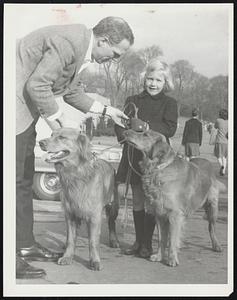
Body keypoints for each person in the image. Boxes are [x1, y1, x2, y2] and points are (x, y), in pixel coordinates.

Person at [16, 16, 134, 279]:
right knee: (13, 182)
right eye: (115, 53)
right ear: (103, 40)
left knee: (23, 181)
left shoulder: (82, 51)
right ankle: (10, 257)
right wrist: (58, 121)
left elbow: (72, 92)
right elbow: (37, 84)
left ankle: (24, 246)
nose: (114, 59)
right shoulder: (70, 43)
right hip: (13, 109)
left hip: (25, 113)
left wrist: (107, 110)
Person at [114, 58, 178, 258]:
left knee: (153, 202)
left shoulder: (170, 103)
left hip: (154, 161)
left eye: (158, 80)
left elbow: (170, 129)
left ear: (165, 82)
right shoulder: (133, 99)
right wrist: (123, 135)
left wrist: (147, 129)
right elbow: (120, 123)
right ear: (144, 79)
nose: (153, 84)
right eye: (150, 79)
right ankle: (138, 242)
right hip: (133, 156)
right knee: (138, 201)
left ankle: (147, 245)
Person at [214, 109, 228, 176]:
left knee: (218, 156)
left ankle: (221, 165)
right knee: (224, 157)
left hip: (219, 141)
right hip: (227, 142)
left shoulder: (218, 120)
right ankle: (224, 171)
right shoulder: (229, 121)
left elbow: (215, 127)